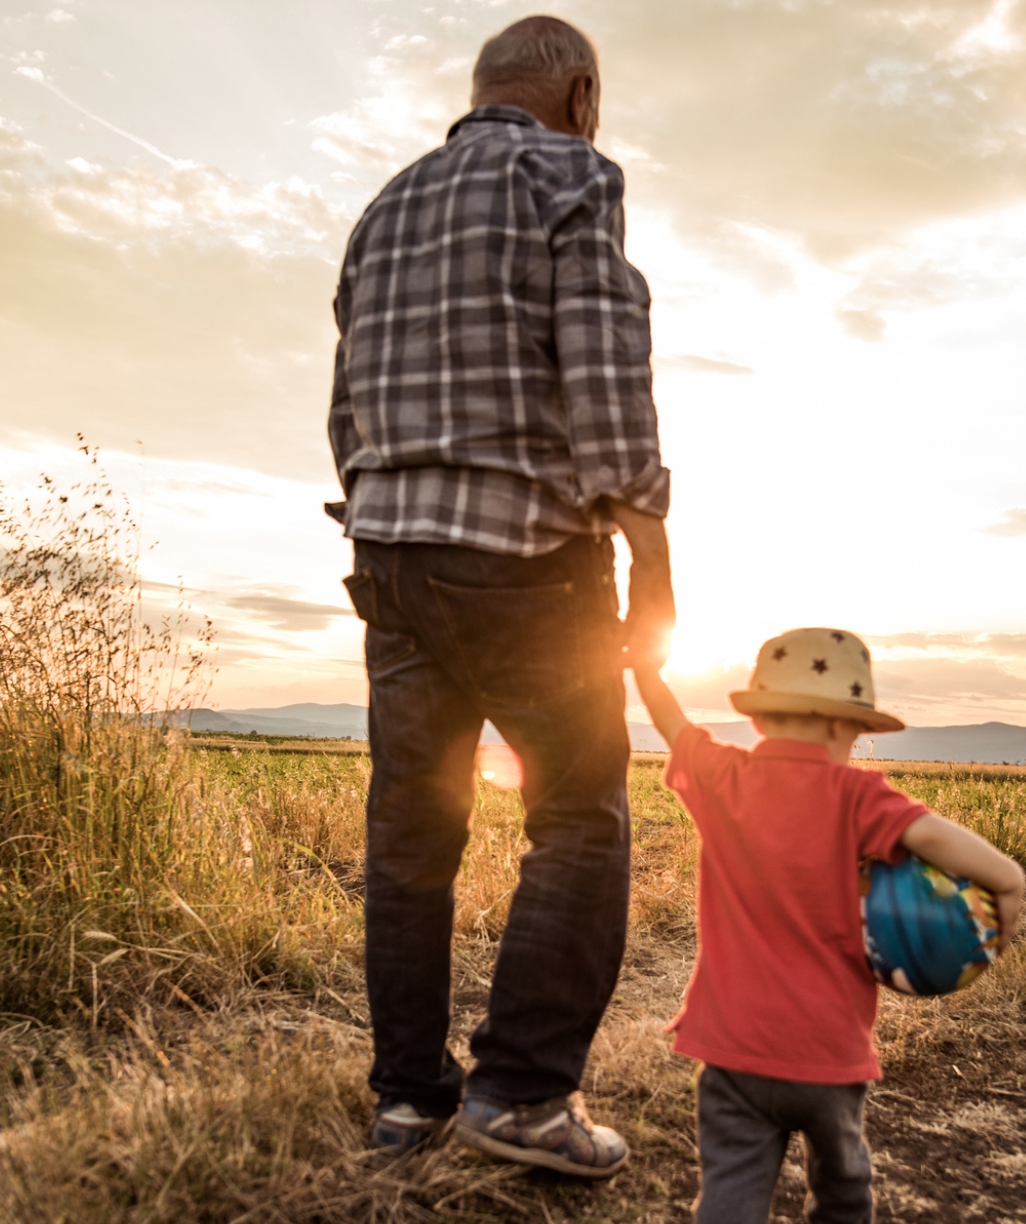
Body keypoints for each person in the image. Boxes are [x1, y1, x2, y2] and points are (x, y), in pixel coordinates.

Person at [325, 14, 671, 1179]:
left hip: (391, 560)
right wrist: (650, 551)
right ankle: (521, 1094)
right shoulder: (570, 173)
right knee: (579, 814)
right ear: (577, 95)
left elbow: (344, 402)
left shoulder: (386, 206)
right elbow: (606, 362)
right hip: (522, 562)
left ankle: (408, 1103)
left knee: (410, 835)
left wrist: (382, 518)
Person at [629, 628, 1026, 1223]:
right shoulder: (860, 797)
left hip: (732, 1048)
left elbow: (671, 722)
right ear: (846, 727)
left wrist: (645, 667)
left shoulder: (722, 777)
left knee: (730, 1192)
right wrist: (1005, 904)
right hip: (829, 1050)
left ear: (761, 719)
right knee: (843, 1190)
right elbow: (990, 868)